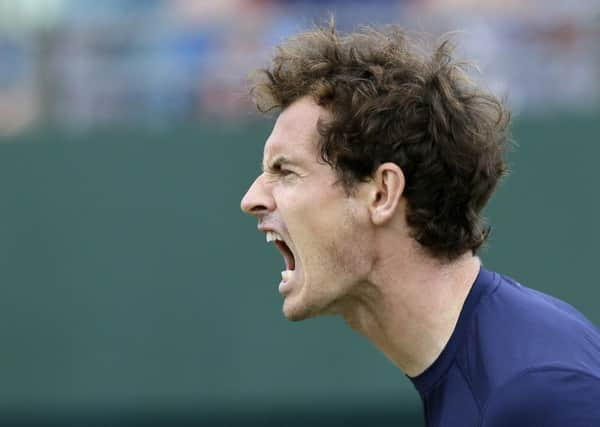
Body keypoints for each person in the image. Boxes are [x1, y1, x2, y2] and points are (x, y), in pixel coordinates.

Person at [240, 22, 600, 426]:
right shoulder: (499, 375)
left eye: (285, 171)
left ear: (381, 193)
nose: (251, 199)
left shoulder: (539, 394)